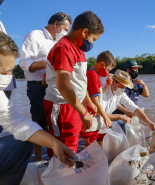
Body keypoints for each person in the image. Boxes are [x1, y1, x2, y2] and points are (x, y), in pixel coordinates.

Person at [0, 32, 75, 185]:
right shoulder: (35, 36)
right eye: (6, 71)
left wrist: (55, 144)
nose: (10, 76)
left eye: (11, 70)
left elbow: (17, 123)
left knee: (22, 142)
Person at [43, 11, 104, 157]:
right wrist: (83, 112)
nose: (92, 43)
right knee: (64, 146)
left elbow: (80, 81)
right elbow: (63, 85)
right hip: (62, 105)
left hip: (74, 103)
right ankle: (61, 176)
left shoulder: (79, 50)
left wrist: (87, 102)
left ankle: (68, 174)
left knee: (72, 142)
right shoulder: (64, 48)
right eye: (93, 38)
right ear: (84, 32)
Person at [19, 12, 72, 161]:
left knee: (57, 122)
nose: (66, 33)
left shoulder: (60, 41)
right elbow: (24, 63)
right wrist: (46, 63)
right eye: (65, 29)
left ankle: (56, 157)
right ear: (56, 25)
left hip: (55, 86)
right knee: (39, 123)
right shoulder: (35, 36)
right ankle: (39, 160)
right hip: (37, 87)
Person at [80, 51, 116, 146]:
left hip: (94, 117)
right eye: (108, 70)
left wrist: (107, 86)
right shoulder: (92, 75)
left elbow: (97, 95)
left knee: (94, 144)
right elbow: (95, 100)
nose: (108, 73)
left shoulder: (94, 75)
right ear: (102, 65)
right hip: (91, 117)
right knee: (90, 146)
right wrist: (105, 117)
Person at [113, 59, 149, 132]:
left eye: (137, 69)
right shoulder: (118, 84)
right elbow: (114, 102)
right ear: (128, 70)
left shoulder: (136, 83)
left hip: (131, 114)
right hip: (118, 116)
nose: (136, 71)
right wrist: (125, 112)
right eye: (135, 68)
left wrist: (144, 85)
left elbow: (146, 95)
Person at [0, 0, 17, 99]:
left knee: (6, 103)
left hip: (4, 74)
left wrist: (9, 78)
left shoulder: (1, 24)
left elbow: (8, 51)